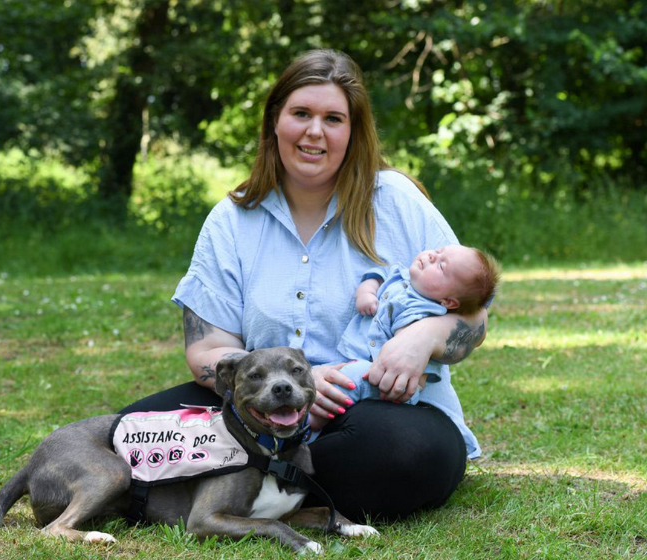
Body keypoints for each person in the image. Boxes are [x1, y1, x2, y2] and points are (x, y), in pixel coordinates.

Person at [119, 49, 489, 522]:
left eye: (333, 118)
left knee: (402, 454)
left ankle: (249, 487)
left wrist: (423, 338)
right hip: (260, 414)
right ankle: (275, 485)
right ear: (276, 120)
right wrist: (288, 392)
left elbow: (474, 314)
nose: (315, 131)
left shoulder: (397, 200)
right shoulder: (232, 219)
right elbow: (208, 350)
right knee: (133, 433)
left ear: (353, 131)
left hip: (377, 414)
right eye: (301, 114)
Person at [320, 245, 500, 425]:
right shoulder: (399, 274)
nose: (431, 257)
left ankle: (312, 426)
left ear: (448, 301)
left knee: (347, 379)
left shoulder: (425, 312)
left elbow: (410, 362)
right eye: (437, 252)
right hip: (348, 361)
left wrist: (414, 339)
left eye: (441, 266)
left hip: (382, 381)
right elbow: (374, 276)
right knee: (332, 378)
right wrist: (366, 293)